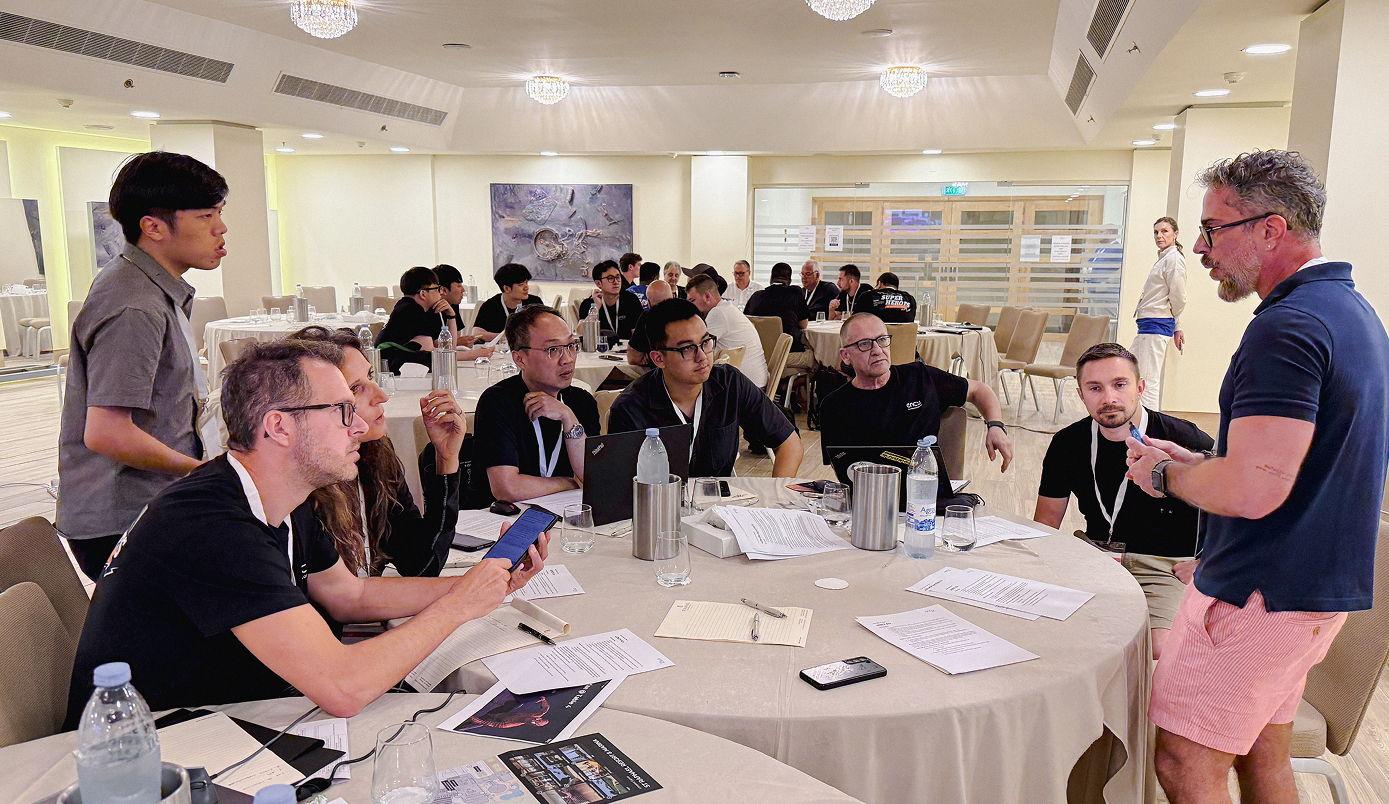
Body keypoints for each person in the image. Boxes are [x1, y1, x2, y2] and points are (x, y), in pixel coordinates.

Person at [65, 339, 549, 725]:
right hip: (168, 746)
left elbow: (350, 595)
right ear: (279, 427)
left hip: (238, 714)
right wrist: (459, 606)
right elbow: (342, 688)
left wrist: (481, 585)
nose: (358, 425)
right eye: (342, 410)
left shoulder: (284, 495)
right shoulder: (211, 525)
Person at [1123, 150, 1389, 804]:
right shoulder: (1350, 312)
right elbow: (1289, 466)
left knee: (1186, 763)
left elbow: (1254, 489)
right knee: (1262, 755)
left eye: (1212, 228)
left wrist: (1164, 477)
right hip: (1309, 590)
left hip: (1262, 591)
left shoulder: (1288, 325)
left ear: (1270, 229)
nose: (1197, 246)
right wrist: (1198, 467)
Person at [57, 151, 227, 582]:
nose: (220, 228)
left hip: (151, 503)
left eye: (219, 213)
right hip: (125, 517)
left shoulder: (147, 287)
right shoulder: (135, 303)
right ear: (153, 226)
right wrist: (209, 474)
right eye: (206, 215)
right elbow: (106, 431)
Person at [1033, 343, 1212, 659]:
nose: (1108, 398)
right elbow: (1045, 524)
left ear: (1140, 387)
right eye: (1095, 388)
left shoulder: (1185, 440)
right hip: (1095, 558)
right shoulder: (1067, 444)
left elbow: (1240, 505)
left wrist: (1207, 562)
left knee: (1156, 648)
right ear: (1081, 395)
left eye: (1119, 384)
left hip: (1163, 570)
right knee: (1056, 638)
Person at [288, 326, 464, 578]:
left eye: (371, 376)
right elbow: (339, 601)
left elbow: (421, 565)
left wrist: (446, 460)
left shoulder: (375, 453)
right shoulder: (301, 482)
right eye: (356, 388)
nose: (381, 396)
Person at [609, 299, 804, 477]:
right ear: (659, 359)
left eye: (705, 342)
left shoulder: (729, 383)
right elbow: (621, 486)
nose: (702, 356)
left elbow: (790, 444)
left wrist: (778, 501)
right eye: (687, 348)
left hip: (718, 505)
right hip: (661, 509)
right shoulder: (630, 408)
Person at [819, 314, 1013, 472]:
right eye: (865, 344)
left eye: (882, 340)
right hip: (869, 497)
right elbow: (845, 473)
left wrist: (995, 426)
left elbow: (980, 390)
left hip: (926, 494)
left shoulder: (920, 377)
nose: (877, 350)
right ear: (846, 356)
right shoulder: (834, 406)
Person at [469, 306, 601, 507]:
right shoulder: (497, 402)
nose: (568, 359)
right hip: (502, 520)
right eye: (553, 350)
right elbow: (507, 489)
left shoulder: (581, 402)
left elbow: (594, 476)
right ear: (519, 359)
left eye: (571, 346)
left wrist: (568, 417)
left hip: (560, 515)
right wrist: (566, 483)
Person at [1131, 217, 1188, 410]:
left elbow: (1178, 297)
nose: (1159, 236)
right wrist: (1177, 326)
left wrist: (1175, 324)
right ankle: (1137, 419)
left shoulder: (1174, 259)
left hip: (1156, 324)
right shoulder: (1164, 258)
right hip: (1148, 324)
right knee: (1134, 372)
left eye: (1164, 231)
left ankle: (1150, 429)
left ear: (1175, 234)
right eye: (1156, 232)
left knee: (1148, 380)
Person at [375, 267, 464, 374]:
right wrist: (474, 355)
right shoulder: (411, 311)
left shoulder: (406, 306)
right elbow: (433, 353)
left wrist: (451, 316)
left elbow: (447, 347)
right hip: (394, 373)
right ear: (423, 294)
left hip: (393, 369)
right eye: (436, 289)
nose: (440, 293)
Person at [687, 273, 768, 389]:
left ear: (707, 296)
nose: (691, 306)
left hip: (747, 389)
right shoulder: (726, 309)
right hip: (753, 384)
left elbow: (697, 347)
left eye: (692, 300)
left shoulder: (717, 314)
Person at [745, 262, 815, 372]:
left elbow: (746, 323)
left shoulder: (755, 296)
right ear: (790, 281)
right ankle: (789, 386)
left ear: (771, 279)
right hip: (786, 353)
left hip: (759, 354)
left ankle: (782, 385)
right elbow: (803, 324)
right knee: (817, 358)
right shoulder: (795, 292)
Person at [472, 263, 544, 341]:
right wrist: (505, 337)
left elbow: (545, 328)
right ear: (506, 288)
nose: (526, 287)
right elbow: (476, 333)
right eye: (521, 284)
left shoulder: (535, 303)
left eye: (526, 283)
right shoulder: (491, 306)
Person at [576, 260, 644, 342]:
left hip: (625, 350)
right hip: (600, 350)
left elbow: (639, 334)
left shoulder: (631, 300)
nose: (616, 282)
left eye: (618, 277)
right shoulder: (589, 303)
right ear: (598, 283)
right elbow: (580, 332)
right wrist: (595, 309)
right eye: (610, 278)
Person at [627, 280, 674, 368]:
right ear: (673, 297)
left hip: (661, 375)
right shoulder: (687, 313)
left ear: (648, 302)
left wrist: (647, 356)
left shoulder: (647, 318)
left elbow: (633, 358)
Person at [432, 264, 481, 348]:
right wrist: (457, 342)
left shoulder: (453, 305)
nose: (463, 290)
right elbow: (436, 346)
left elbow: (456, 335)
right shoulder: (430, 309)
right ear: (443, 290)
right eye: (459, 286)